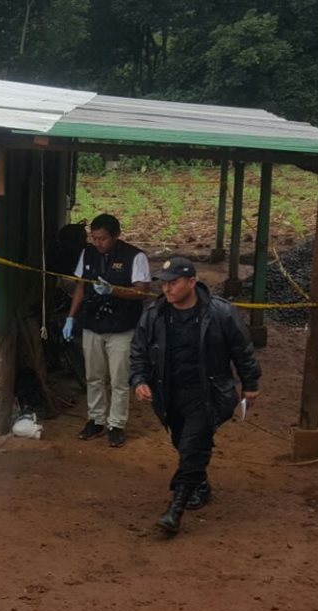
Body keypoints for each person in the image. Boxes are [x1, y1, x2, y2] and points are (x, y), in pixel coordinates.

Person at [129, 257, 261, 535]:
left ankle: (175, 510)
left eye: (173, 283)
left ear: (192, 282)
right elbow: (139, 350)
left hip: (208, 392)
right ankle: (199, 483)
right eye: (164, 284)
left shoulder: (220, 313)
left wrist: (250, 383)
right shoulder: (154, 315)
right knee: (183, 442)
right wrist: (139, 380)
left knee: (192, 445)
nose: (167, 289)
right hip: (169, 393)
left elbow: (242, 349)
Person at [62, 213, 151, 447]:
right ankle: (96, 420)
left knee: (119, 379)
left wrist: (114, 290)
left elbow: (142, 291)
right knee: (94, 377)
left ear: (116, 236)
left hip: (122, 327)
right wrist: (70, 317)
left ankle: (116, 424)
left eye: (103, 239)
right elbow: (81, 286)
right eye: (94, 238)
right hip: (92, 324)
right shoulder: (88, 253)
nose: (98, 243)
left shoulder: (135, 257)